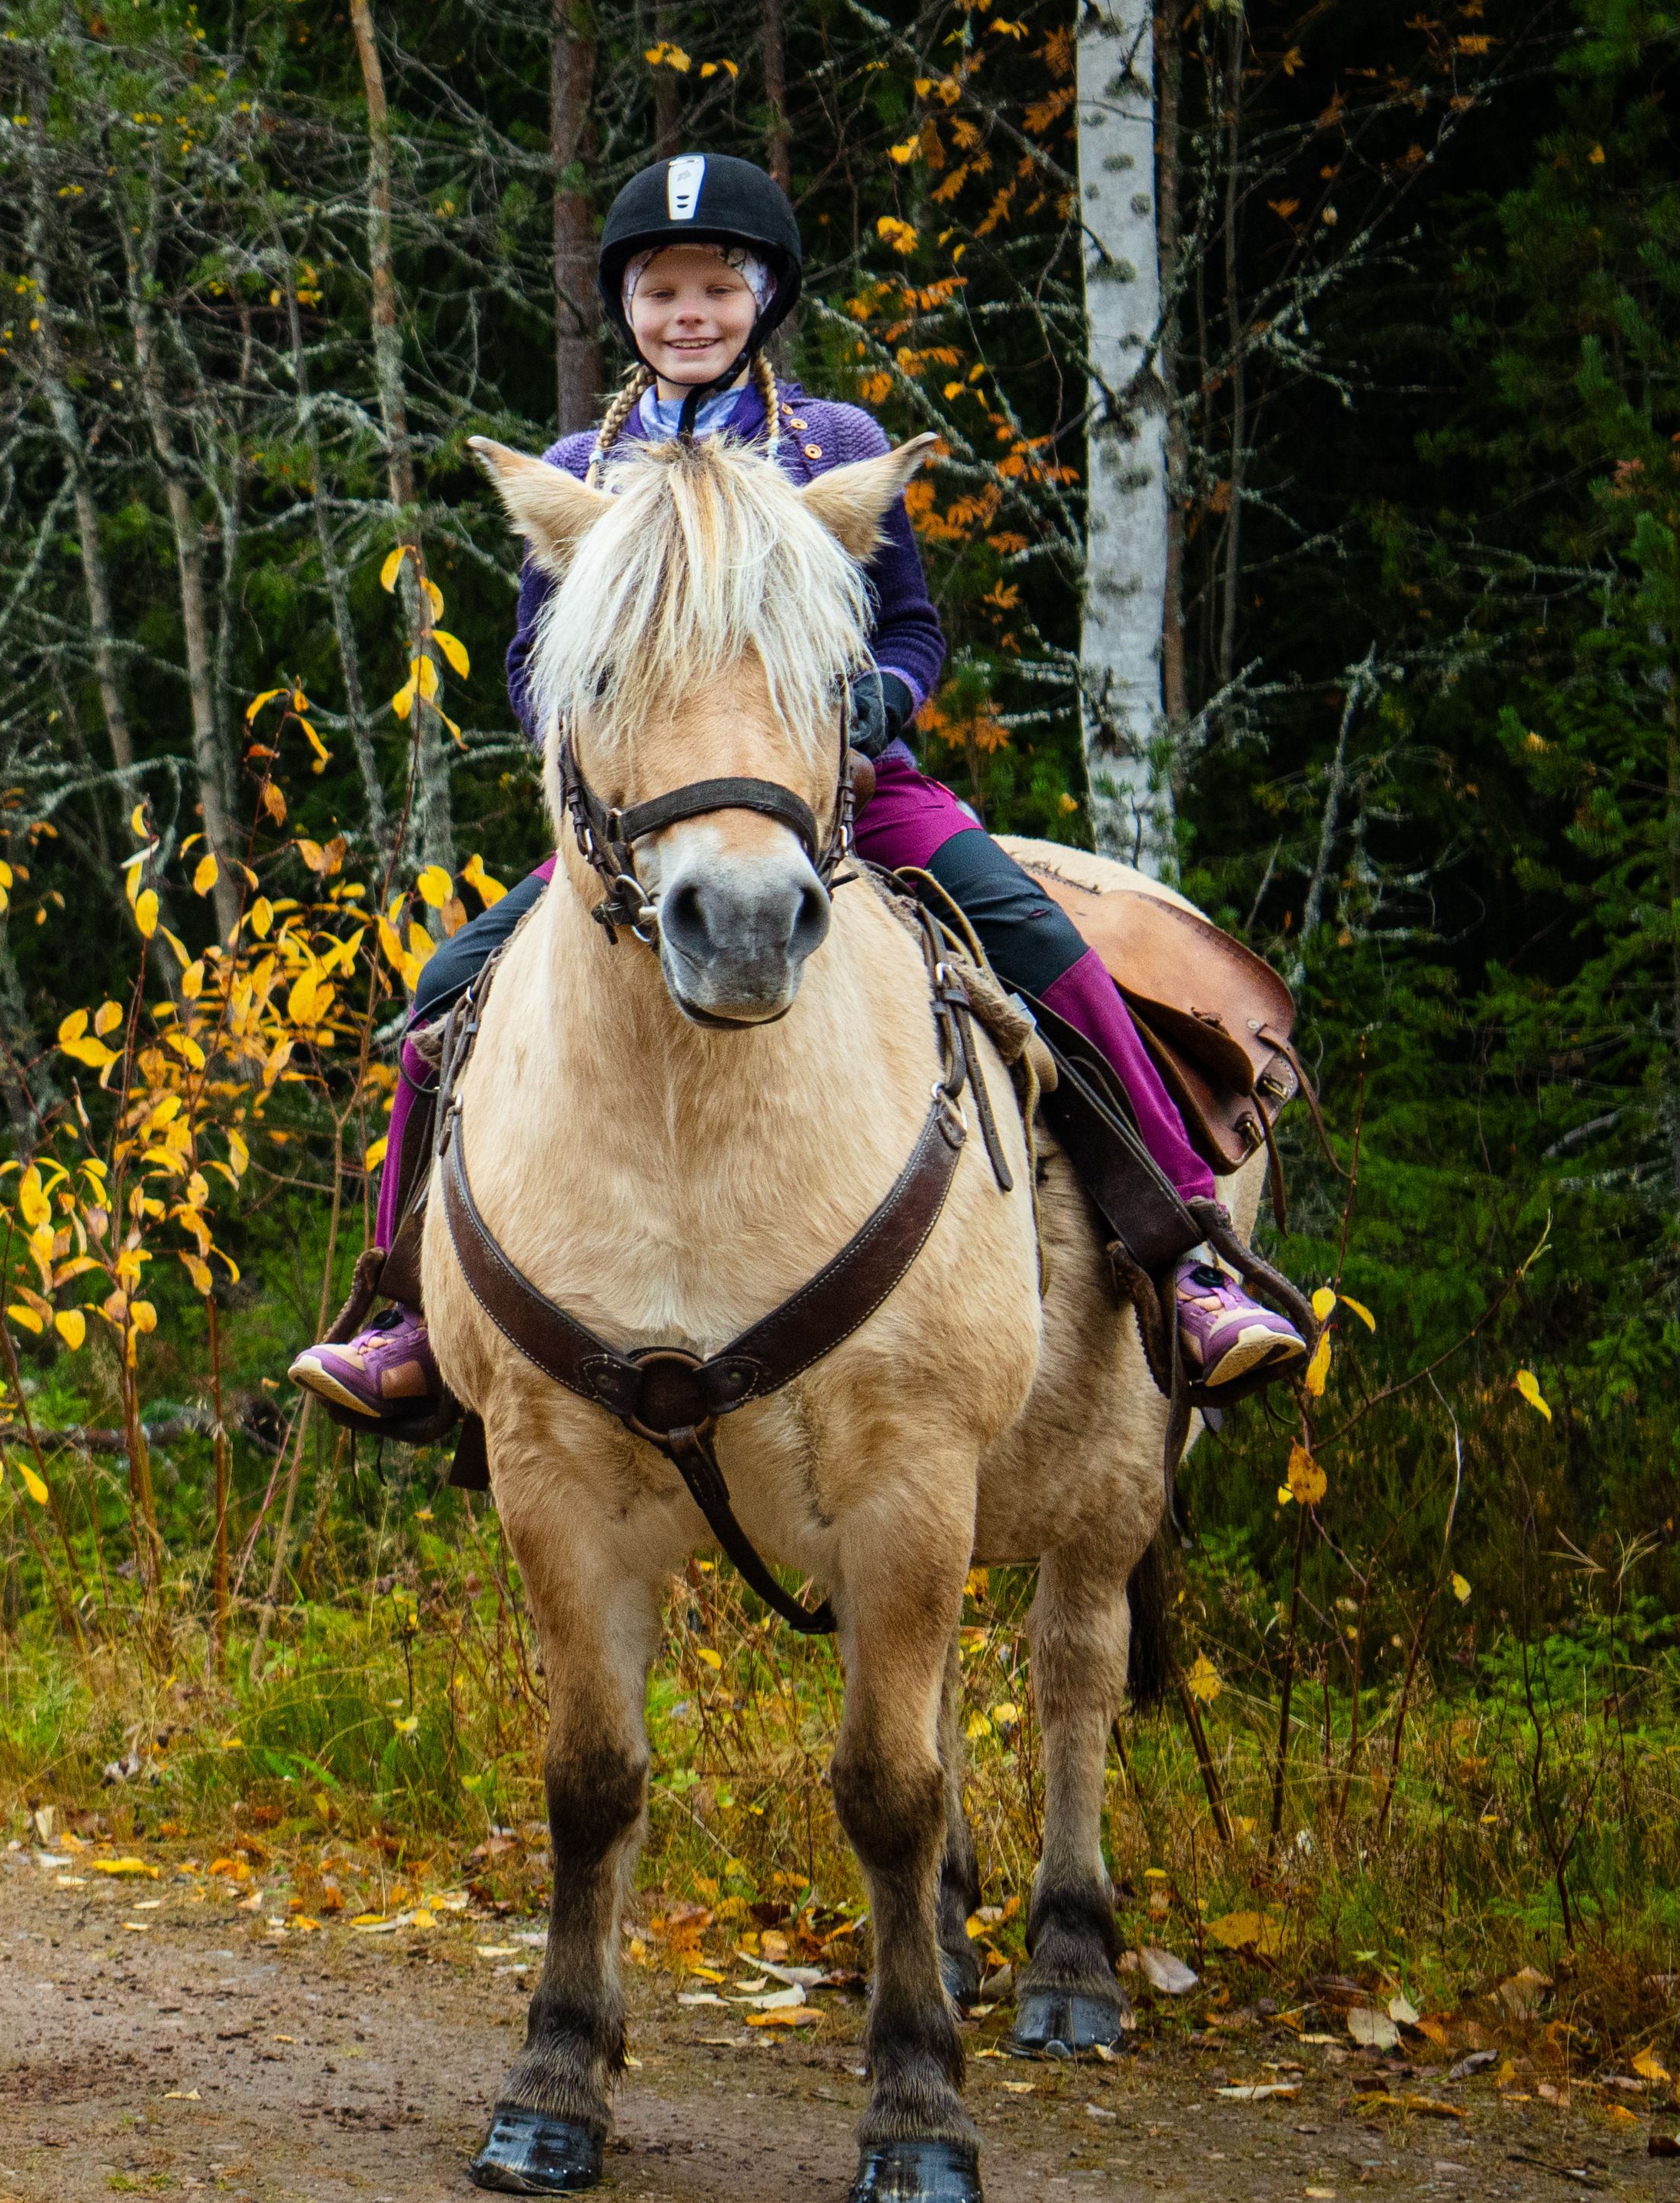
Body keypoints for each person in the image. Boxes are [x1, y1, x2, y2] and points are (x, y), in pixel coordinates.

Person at [283, 149, 1307, 1420]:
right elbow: (531, 670)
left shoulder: (837, 445)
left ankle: (1186, 1260)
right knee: (448, 992)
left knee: (1042, 941)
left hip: (844, 789)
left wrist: (876, 705)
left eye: (716, 286)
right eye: (661, 292)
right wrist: (604, 740)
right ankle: (407, 1309)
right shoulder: (577, 475)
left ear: (761, 295)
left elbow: (914, 629)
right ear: (627, 308)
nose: (689, 316)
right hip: (650, 816)